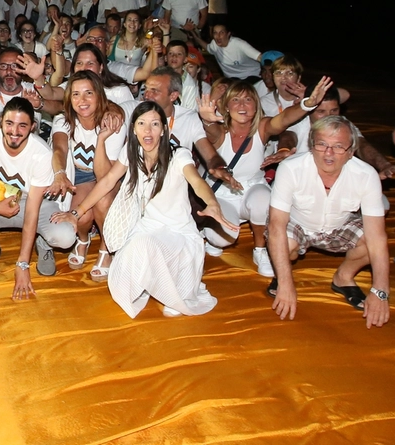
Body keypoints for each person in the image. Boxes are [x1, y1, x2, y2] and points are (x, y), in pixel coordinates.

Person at [55, 101, 234, 318]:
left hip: (178, 232)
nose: (147, 130)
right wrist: (76, 212)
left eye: (154, 124)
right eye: (141, 123)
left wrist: (212, 204)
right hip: (147, 228)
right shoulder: (132, 152)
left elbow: (196, 181)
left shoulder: (179, 155)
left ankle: (174, 283)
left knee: (175, 304)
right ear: (133, 129)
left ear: (163, 129)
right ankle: (156, 280)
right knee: (122, 285)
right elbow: (107, 181)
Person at [198, 76, 333, 277]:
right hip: (222, 195)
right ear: (226, 106)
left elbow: (285, 118)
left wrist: (308, 104)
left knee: (264, 199)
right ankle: (215, 234)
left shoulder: (262, 127)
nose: (242, 105)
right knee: (223, 240)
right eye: (235, 100)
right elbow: (210, 131)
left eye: (248, 100)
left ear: (256, 106)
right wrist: (207, 119)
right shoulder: (220, 131)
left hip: (252, 188)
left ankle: (260, 250)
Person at [266, 115, 391, 328]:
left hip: (338, 226)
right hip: (297, 226)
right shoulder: (290, 168)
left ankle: (343, 277)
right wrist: (286, 284)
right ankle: (282, 275)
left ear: (351, 152)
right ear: (311, 145)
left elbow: (378, 237)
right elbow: (277, 225)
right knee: (283, 243)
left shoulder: (366, 175)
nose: (329, 153)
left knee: (370, 245)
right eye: (322, 144)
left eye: (338, 146)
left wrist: (381, 292)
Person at [0, 97, 77, 298]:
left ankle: (44, 243)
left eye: (22, 125)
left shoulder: (41, 153)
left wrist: (22, 264)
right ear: (0, 121)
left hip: (35, 204)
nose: (14, 132)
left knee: (65, 237)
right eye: (9, 123)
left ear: (33, 127)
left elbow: (32, 211)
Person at [48, 71, 125, 270]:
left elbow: (105, 177)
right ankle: (83, 239)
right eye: (75, 94)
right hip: (79, 174)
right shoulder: (63, 120)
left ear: (99, 95)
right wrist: (60, 173)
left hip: (109, 175)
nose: (82, 100)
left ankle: (107, 248)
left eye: (88, 93)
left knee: (102, 200)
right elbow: (59, 149)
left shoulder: (113, 122)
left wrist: (101, 140)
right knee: (81, 218)